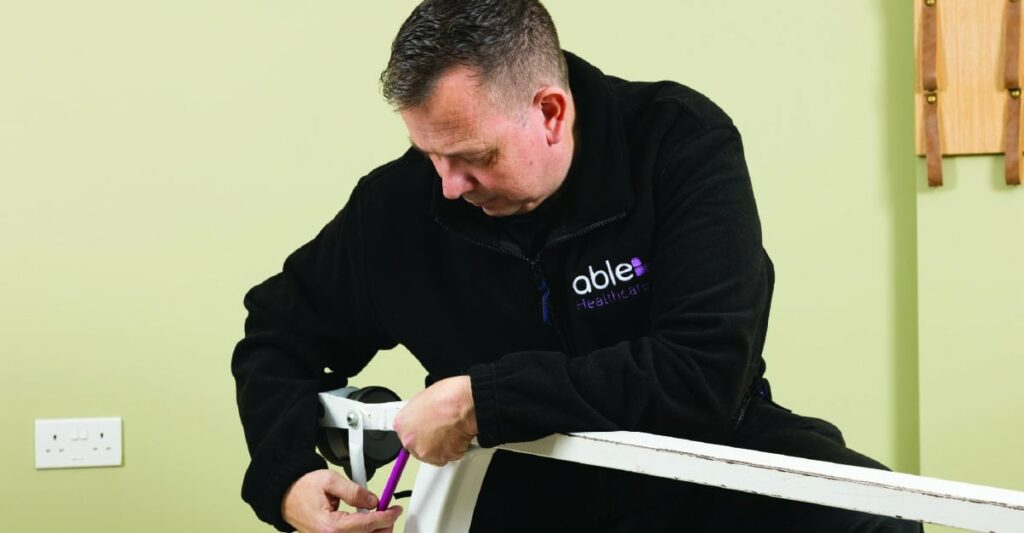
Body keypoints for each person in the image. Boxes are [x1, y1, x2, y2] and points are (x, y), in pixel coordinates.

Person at [232, 1, 923, 531]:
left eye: (473, 156)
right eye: (430, 155)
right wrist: (286, 477)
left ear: (552, 114)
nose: (447, 184)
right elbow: (276, 336)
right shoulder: (398, 207)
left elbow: (703, 371)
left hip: (702, 455)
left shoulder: (678, 145)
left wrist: (482, 399)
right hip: (517, 483)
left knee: (878, 514)